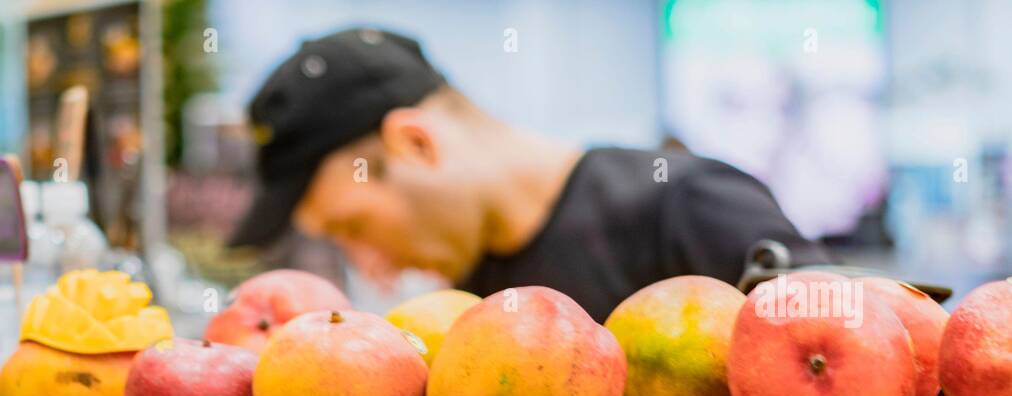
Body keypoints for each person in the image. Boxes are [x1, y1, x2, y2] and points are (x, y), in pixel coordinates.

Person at [229, 27, 829, 320]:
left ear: (415, 144)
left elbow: (868, 354)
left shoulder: (686, 204)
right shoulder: (472, 298)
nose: (372, 271)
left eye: (354, 226)